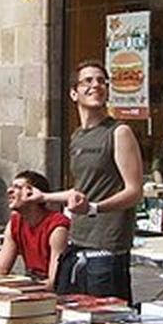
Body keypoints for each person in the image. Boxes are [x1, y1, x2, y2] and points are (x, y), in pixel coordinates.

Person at [25, 60, 144, 301]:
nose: (96, 85)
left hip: (107, 250)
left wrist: (94, 208)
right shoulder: (77, 137)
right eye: (88, 81)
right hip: (78, 243)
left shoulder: (119, 132)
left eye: (101, 80)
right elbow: (81, 191)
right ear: (73, 93)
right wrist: (43, 197)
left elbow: (134, 191)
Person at [0, 171, 70, 288]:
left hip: (51, 290)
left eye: (17, 187)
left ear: (33, 194)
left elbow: (53, 282)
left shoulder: (57, 227)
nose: (9, 191)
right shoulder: (15, 223)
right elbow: (0, 271)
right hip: (31, 282)